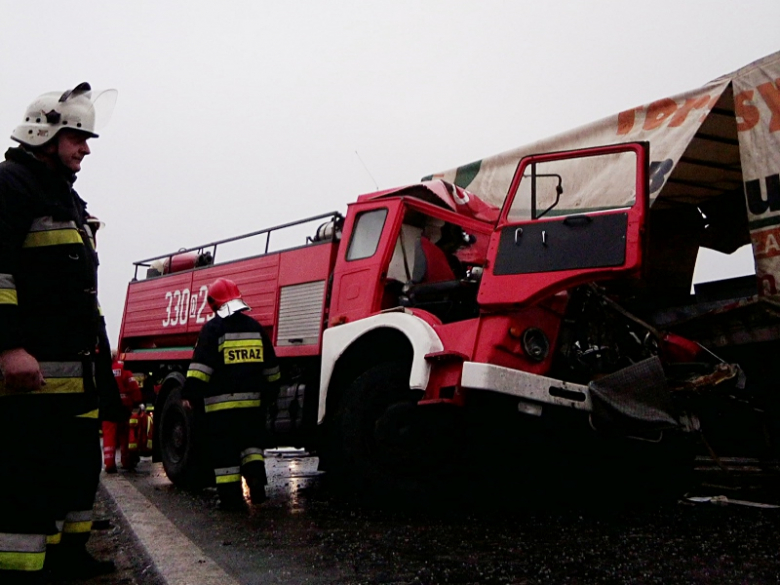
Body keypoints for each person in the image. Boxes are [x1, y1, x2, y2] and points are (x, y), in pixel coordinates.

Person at [0, 82, 123, 583]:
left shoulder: (67, 199)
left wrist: (104, 365)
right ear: (46, 133)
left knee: (77, 471)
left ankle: (70, 556)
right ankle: (21, 570)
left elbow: (83, 295)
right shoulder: (11, 186)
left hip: (79, 374)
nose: (86, 149)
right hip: (32, 376)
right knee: (28, 477)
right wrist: (8, 347)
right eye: (78, 138)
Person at [181, 278, 281, 511]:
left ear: (214, 304)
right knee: (251, 446)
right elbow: (272, 369)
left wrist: (190, 394)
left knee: (225, 453)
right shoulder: (255, 328)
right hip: (252, 406)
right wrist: (270, 393)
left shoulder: (212, 329)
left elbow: (201, 369)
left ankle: (231, 499)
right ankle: (257, 484)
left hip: (221, 409)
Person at [102, 351, 143, 473]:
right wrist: (138, 401)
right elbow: (133, 386)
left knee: (109, 436)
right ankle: (126, 462)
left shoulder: (103, 370)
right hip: (124, 408)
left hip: (107, 407)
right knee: (124, 436)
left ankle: (109, 464)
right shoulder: (122, 369)